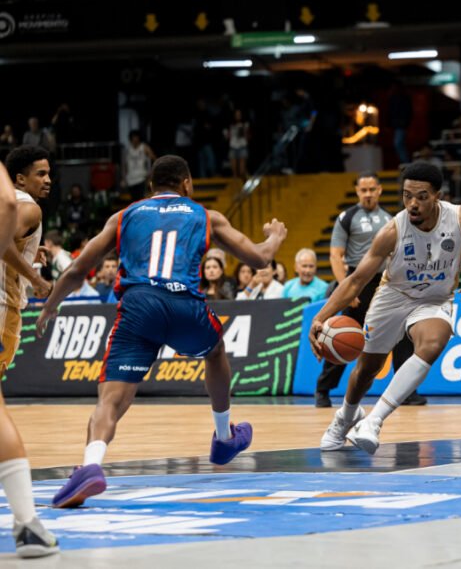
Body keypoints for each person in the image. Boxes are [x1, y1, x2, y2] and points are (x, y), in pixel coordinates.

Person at [36, 155, 287, 507]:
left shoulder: (124, 216)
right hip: (184, 304)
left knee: (111, 400)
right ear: (186, 184)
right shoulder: (205, 215)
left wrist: (51, 304)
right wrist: (274, 237)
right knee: (214, 351)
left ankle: (91, 465)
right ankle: (223, 435)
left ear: (152, 186)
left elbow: (78, 268)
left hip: (138, 306)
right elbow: (260, 259)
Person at [309, 162, 461, 454]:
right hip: (393, 296)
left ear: (438, 196)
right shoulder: (392, 231)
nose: (413, 204)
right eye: (407, 196)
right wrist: (320, 318)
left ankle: (373, 422)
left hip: (435, 299)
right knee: (367, 370)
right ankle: (345, 416)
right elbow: (355, 281)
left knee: (432, 343)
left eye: (421, 196)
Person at [314, 172, 423, 408]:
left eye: (372, 189)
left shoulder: (390, 218)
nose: (368, 194)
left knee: (403, 335)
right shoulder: (347, 217)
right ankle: (323, 389)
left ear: (380, 190)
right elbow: (335, 255)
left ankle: (407, 391)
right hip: (356, 282)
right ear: (357, 192)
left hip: (385, 283)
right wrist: (347, 288)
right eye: (363, 190)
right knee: (341, 335)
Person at [0, 148, 58, 557]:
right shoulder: (27, 207)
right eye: (40, 173)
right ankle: (26, 524)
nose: (48, 179)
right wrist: (35, 277)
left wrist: (24, 255)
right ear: (18, 179)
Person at [121, 130, 156, 202]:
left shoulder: (144, 147)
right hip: (130, 179)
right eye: (133, 137)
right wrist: (124, 178)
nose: (135, 139)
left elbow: (154, 159)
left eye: (136, 137)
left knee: (141, 199)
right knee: (133, 200)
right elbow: (124, 165)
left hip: (142, 178)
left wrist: (150, 175)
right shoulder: (127, 150)